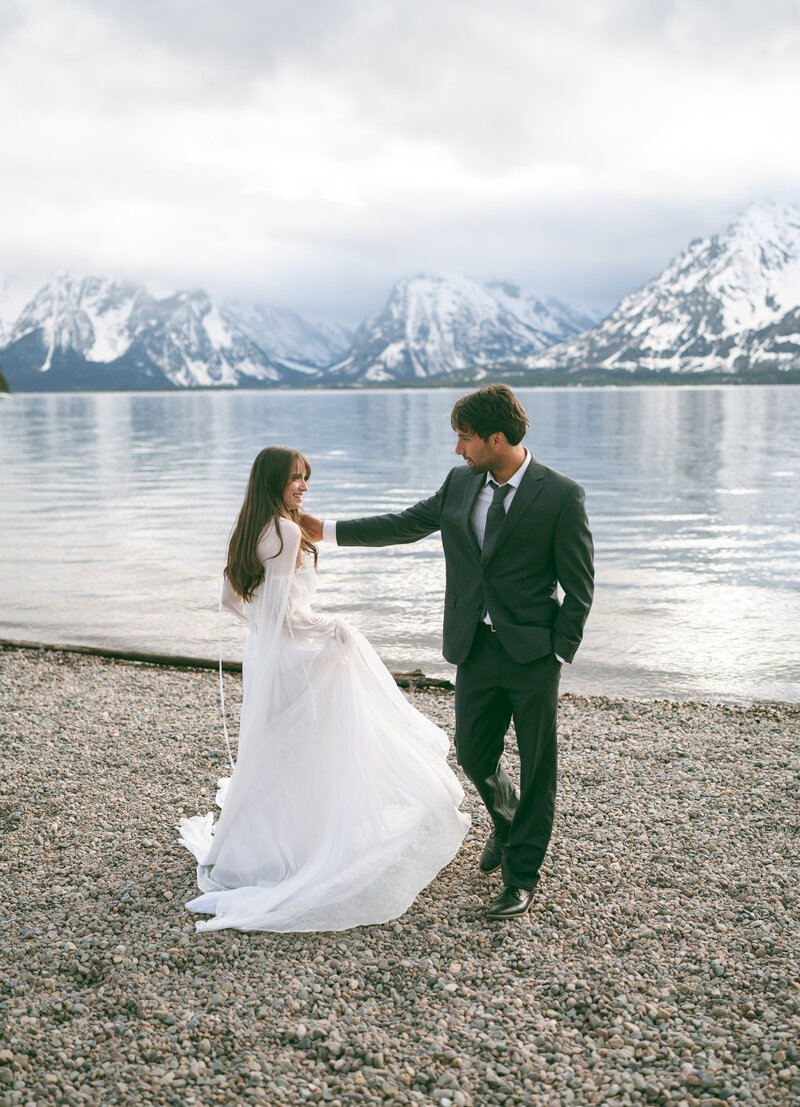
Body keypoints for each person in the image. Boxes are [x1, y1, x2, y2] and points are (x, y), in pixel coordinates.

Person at [303, 385, 594, 920]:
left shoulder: (560, 495)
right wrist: (328, 530)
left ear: (496, 438)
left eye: (464, 438)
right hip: (474, 646)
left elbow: (580, 586)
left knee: (538, 766)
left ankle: (522, 876)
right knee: (472, 753)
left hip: (533, 654)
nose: (458, 450)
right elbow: (407, 524)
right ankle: (505, 819)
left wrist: (559, 651)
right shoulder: (461, 483)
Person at [178, 446, 469, 933]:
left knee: (275, 747)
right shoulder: (288, 531)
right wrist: (325, 628)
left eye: (306, 478)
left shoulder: (249, 527)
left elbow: (233, 598)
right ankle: (306, 848)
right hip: (295, 659)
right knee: (313, 746)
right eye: (295, 479)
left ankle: (253, 849)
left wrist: (264, 636)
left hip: (266, 657)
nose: (304, 487)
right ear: (274, 481)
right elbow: (288, 613)